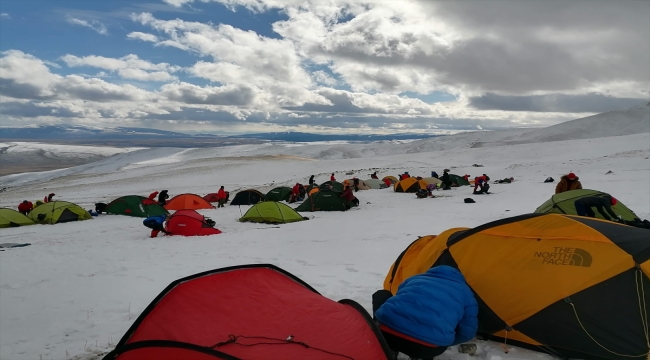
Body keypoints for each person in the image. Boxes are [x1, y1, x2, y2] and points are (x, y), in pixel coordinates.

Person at [373, 266, 478, 360]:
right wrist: (445, 339)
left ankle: (387, 347)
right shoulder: (466, 292)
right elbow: (468, 332)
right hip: (428, 348)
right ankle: (420, 356)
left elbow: (400, 298)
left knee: (382, 294)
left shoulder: (415, 279)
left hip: (386, 334)